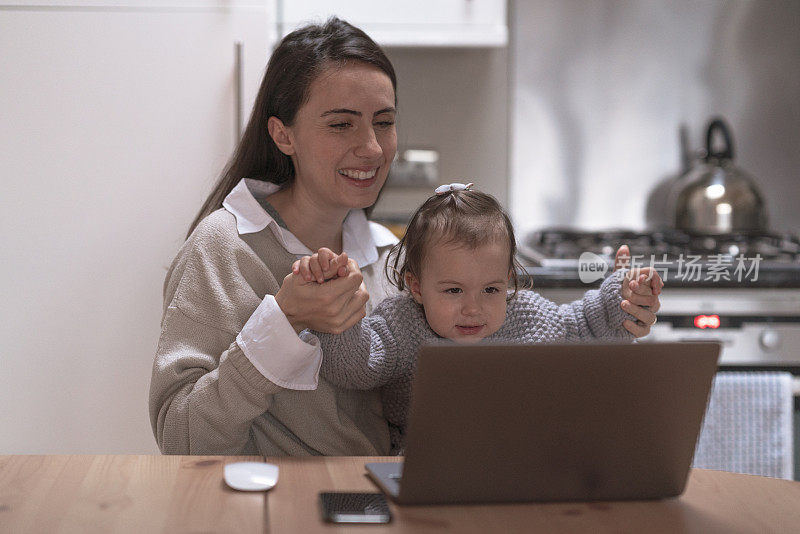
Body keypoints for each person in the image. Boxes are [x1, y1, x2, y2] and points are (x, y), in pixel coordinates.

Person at [149, 18, 404, 455]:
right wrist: (283, 323)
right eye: (342, 124)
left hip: (374, 509)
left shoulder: (391, 258)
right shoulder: (223, 248)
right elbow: (182, 440)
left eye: (383, 122)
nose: (373, 147)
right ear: (283, 134)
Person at [293, 185, 663, 452]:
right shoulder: (402, 324)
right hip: (427, 469)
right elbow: (352, 367)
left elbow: (585, 323)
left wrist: (622, 296)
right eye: (453, 291)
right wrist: (336, 307)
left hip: (529, 467)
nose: (473, 308)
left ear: (508, 282)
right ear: (417, 287)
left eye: (490, 290)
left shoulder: (529, 315)